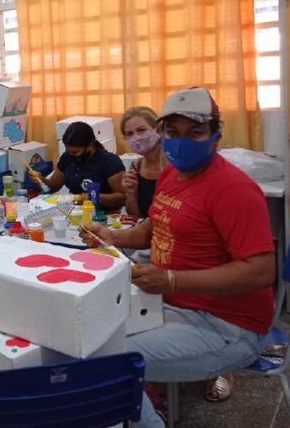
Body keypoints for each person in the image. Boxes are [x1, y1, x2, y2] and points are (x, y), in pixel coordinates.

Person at [80, 88, 275, 428]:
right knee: (87, 331)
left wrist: (171, 279)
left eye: (194, 132)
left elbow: (260, 272)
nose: (181, 141)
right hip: (173, 303)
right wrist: (113, 236)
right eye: (173, 132)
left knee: (103, 360)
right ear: (163, 133)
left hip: (225, 325)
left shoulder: (233, 190)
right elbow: (153, 227)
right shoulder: (171, 174)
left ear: (216, 135)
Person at [30, 121, 126, 211]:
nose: (71, 155)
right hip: (76, 211)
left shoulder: (109, 162)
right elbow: (53, 186)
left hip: (104, 215)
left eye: (75, 152)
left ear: (90, 146)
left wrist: (94, 196)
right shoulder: (68, 157)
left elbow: (123, 197)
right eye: (68, 151)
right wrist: (40, 179)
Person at [120, 106, 166, 218]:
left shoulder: (175, 165)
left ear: (157, 130)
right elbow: (135, 216)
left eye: (141, 130)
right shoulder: (136, 166)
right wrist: (130, 193)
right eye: (129, 134)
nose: (136, 137)